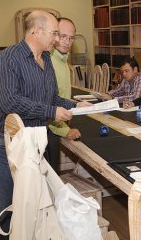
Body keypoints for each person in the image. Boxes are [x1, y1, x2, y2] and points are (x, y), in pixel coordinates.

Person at [0, 10, 89, 240]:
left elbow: (50, 97)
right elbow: (10, 101)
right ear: (36, 31)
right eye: (53, 33)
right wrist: (52, 111)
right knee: (4, 210)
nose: (56, 39)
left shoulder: (47, 58)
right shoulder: (10, 58)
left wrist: (73, 105)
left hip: (34, 141)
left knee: (32, 208)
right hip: (7, 144)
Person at [48, 17, 81, 172]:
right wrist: (65, 131)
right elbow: (49, 102)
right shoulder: (49, 62)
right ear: (54, 35)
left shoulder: (63, 62)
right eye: (63, 37)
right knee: (51, 179)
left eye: (71, 38)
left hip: (58, 125)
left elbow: (61, 97)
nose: (67, 42)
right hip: (49, 130)